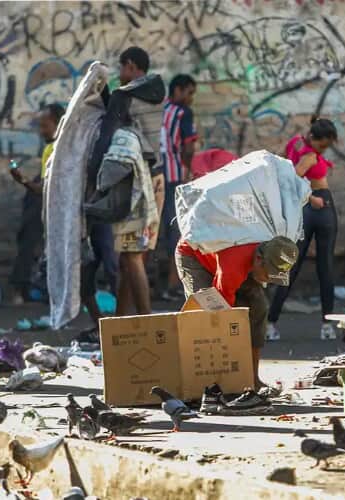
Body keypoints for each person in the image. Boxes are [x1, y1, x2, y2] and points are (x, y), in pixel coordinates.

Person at [95, 47, 165, 317]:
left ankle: (148, 323)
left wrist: (96, 183)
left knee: (132, 257)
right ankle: (121, 323)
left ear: (131, 66)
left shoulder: (124, 96)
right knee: (131, 256)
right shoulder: (157, 94)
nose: (120, 74)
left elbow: (105, 136)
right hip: (156, 178)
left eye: (122, 68)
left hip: (134, 182)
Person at [176, 236, 299, 390]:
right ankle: (206, 384)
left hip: (232, 259)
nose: (270, 280)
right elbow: (221, 314)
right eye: (269, 274)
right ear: (259, 260)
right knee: (206, 317)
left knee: (259, 307)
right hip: (194, 255)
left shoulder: (268, 247)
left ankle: (252, 379)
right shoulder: (233, 267)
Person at [267, 118, 339, 341]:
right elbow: (291, 178)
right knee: (321, 267)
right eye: (323, 145)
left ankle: (271, 322)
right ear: (315, 139)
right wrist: (311, 198)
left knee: (293, 264)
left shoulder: (296, 143)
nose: (323, 150)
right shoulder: (308, 155)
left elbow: (280, 164)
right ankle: (326, 325)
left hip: (307, 207)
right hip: (316, 206)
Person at [8, 103, 64, 304]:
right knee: (30, 242)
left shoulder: (60, 149)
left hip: (49, 203)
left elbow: (46, 188)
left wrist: (22, 180)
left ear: (58, 124)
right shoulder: (52, 147)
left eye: (45, 126)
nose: (41, 131)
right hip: (43, 202)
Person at [158, 74, 198, 300]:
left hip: (154, 178)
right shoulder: (184, 113)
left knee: (154, 234)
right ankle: (173, 286)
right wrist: (187, 172)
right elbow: (189, 147)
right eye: (189, 93)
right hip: (174, 179)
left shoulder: (160, 110)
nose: (191, 98)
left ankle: (153, 285)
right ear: (179, 90)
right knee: (177, 232)